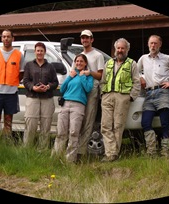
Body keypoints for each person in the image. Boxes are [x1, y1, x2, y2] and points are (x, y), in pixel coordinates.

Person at [137, 35, 169, 157]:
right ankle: (151, 151)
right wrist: (141, 78)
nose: (153, 46)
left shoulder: (167, 58)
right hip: (149, 94)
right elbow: (135, 71)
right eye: (151, 43)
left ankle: (165, 151)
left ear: (160, 45)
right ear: (148, 44)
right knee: (145, 122)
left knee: (165, 123)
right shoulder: (143, 58)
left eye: (155, 43)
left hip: (163, 92)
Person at [99, 38, 141, 162]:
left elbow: (136, 82)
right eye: (118, 48)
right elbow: (103, 79)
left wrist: (131, 96)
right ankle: (111, 152)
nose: (120, 50)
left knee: (118, 126)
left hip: (122, 97)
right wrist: (102, 93)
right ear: (115, 49)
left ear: (127, 50)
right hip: (107, 95)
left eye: (123, 48)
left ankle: (112, 154)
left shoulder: (132, 63)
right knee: (105, 125)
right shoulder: (108, 63)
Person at [51, 54, 94, 163]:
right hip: (65, 104)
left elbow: (88, 88)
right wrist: (70, 76)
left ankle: (69, 160)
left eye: (81, 61)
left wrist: (83, 75)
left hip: (78, 106)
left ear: (85, 64)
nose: (79, 63)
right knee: (61, 132)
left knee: (74, 133)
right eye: (77, 61)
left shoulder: (88, 76)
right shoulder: (72, 74)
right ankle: (56, 157)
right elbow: (62, 89)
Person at [0, 29, 24, 138]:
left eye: (8, 36)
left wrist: (11, 81)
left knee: (8, 120)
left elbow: (21, 73)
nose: (6, 39)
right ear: (1, 38)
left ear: (13, 38)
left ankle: (6, 143)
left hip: (11, 92)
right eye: (4, 36)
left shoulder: (19, 55)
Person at [73, 29, 105, 161]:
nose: (85, 40)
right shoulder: (78, 55)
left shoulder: (98, 55)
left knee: (88, 120)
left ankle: (81, 153)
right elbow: (73, 71)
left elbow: (100, 75)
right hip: (79, 90)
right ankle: (73, 150)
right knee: (77, 120)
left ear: (92, 40)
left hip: (92, 88)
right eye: (82, 38)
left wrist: (88, 72)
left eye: (87, 38)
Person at [22, 42, 59, 151]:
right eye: (37, 50)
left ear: (45, 52)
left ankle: (42, 150)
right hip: (32, 97)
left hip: (47, 98)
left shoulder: (50, 66)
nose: (39, 53)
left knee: (46, 125)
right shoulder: (29, 65)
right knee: (30, 125)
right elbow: (25, 81)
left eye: (41, 51)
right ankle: (27, 149)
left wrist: (48, 86)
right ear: (35, 52)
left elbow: (55, 82)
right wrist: (33, 87)